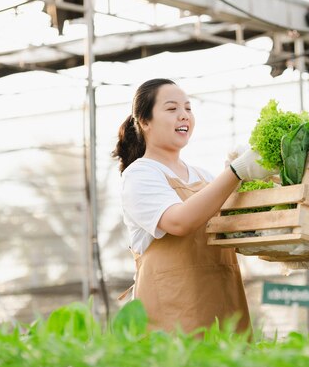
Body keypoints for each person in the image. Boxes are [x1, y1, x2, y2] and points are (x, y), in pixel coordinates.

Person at [112, 78, 272, 334]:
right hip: (171, 315)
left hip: (225, 307)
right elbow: (179, 222)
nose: (184, 116)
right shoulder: (140, 174)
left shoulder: (205, 177)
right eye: (172, 109)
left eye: (188, 108)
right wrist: (236, 172)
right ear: (144, 121)